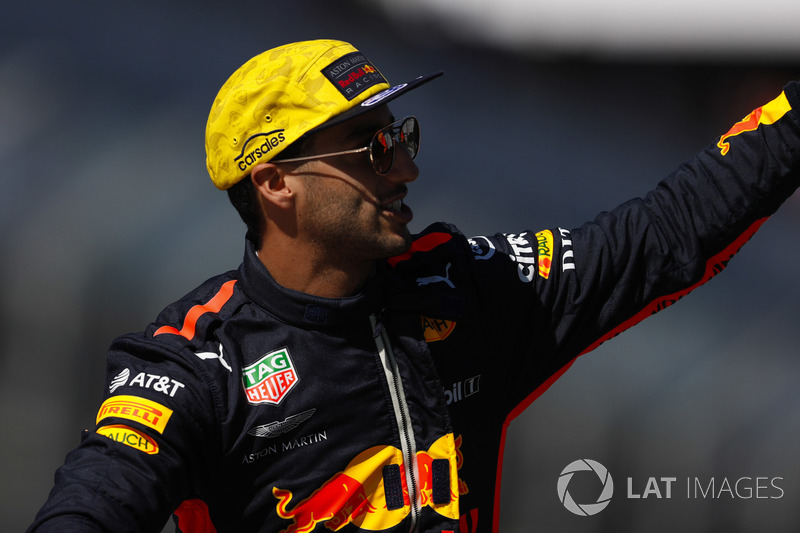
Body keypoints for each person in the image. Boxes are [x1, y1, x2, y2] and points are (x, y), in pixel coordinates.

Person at [27, 38, 800, 533]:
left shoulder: (465, 288)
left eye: (401, 137)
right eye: (369, 148)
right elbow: (94, 500)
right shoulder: (193, 365)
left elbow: (665, 235)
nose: (404, 168)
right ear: (274, 183)